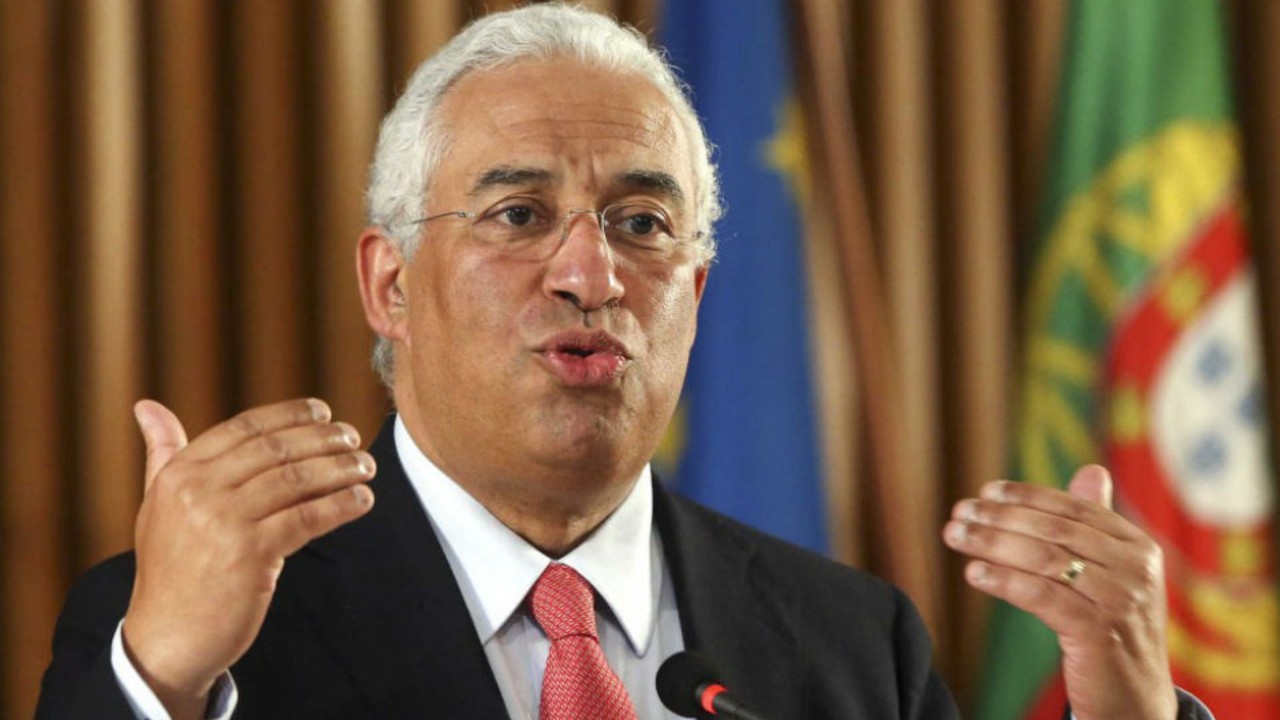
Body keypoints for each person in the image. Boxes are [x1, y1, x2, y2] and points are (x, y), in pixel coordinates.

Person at [36, 5, 1210, 719]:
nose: (589, 273)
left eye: (642, 224)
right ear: (390, 286)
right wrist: (163, 685)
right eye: (517, 215)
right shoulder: (200, 630)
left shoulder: (854, 647)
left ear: (692, 295)